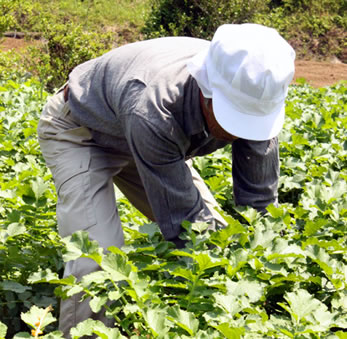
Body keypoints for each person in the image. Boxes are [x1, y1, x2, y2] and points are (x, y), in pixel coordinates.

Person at [37, 23, 295, 337]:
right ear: (206, 89)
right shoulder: (155, 105)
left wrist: (263, 266)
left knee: (218, 239)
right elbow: (182, 219)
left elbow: (259, 203)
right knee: (98, 258)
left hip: (146, 136)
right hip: (80, 132)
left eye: (250, 123)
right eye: (233, 119)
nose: (240, 133)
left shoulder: (254, 86)